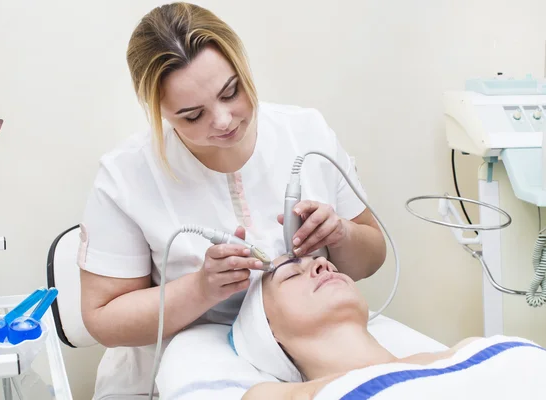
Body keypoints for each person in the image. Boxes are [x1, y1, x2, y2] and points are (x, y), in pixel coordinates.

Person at [77, 2, 386, 398]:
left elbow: (373, 254)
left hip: (315, 354)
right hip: (175, 371)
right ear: (160, 113)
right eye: (192, 116)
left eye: (231, 91)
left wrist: (342, 234)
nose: (222, 121)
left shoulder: (305, 133)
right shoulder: (126, 177)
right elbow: (101, 318)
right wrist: (201, 289)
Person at [230, 255, 546, 399]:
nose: (321, 264)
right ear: (268, 331)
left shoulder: (469, 348)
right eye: (291, 274)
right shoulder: (273, 394)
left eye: (324, 262)